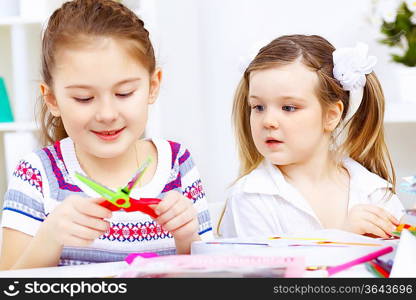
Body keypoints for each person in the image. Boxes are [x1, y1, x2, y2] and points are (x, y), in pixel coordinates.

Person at [0, 0, 212, 269]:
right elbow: (9, 286)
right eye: (84, 98)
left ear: (153, 86)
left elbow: (211, 277)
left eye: (124, 93)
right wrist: (49, 238)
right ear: (52, 99)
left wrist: (187, 237)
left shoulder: (177, 164)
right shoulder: (37, 174)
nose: (107, 114)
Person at [218, 34, 405, 239]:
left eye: (289, 107)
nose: (268, 121)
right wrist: (343, 240)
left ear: (331, 116)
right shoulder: (250, 198)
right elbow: (263, 270)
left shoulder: (375, 193)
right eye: (258, 107)